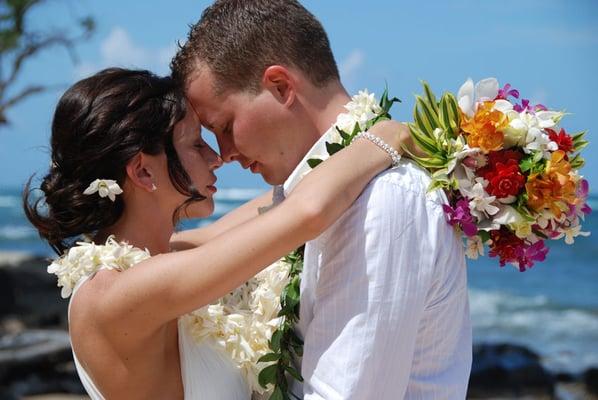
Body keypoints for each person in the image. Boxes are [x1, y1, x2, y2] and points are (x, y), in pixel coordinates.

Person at [23, 67, 406, 399]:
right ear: (142, 172)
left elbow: (277, 206)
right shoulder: (120, 294)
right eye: (195, 143)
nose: (216, 156)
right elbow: (304, 213)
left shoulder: (161, 257)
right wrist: (388, 137)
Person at [170, 0, 472, 398]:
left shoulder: (381, 200)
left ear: (281, 86)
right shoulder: (297, 195)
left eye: (225, 126)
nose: (224, 153)